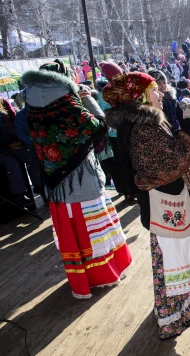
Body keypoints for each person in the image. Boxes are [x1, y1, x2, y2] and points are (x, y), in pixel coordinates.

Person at [101, 61, 190, 339]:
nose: (160, 93)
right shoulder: (143, 130)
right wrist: (189, 123)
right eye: (153, 90)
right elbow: (176, 160)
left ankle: (185, 307)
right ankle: (172, 316)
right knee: (172, 263)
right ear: (139, 97)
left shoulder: (147, 123)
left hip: (170, 202)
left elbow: (176, 152)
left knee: (178, 259)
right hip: (167, 204)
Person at [22, 59, 133, 299]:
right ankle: (102, 275)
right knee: (93, 231)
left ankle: (81, 279)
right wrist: (86, 97)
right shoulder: (69, 101)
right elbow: (100, 126)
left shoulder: (30, 103)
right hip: (82, 180)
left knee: (74, 234)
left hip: (55, 184)